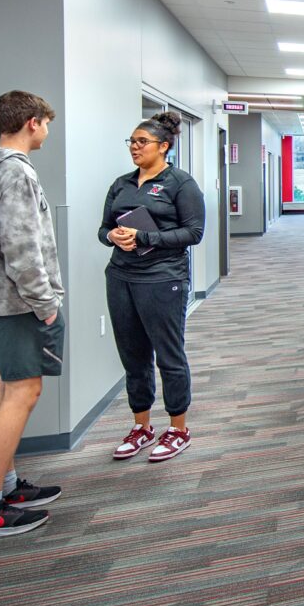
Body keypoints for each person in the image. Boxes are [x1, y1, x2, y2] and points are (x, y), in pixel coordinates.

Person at [0, 91, 65, 543]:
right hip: (17, 302)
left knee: (5, 388)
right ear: (33, 123)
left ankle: (4, 486)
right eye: (46, 124)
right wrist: (46, 302)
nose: (46, 132)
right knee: (24, 392)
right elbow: (22, 251)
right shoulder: (16, 174)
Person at [100, 111, 206, 463]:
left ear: (163, 146)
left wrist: (145, 236)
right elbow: (103, 230)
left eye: (141, 141)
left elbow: (193, 233)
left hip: (163, 278)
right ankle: (141, 426)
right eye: (131, 141)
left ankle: (178, 428)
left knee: (169, 356)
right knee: (134, 356)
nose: (134, 147)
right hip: (121, 277)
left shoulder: (180, 183)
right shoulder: (121, 184)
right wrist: (113, 236)